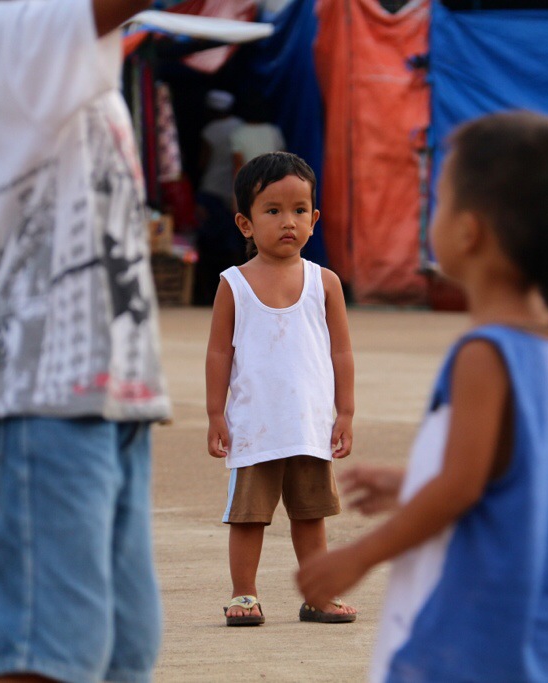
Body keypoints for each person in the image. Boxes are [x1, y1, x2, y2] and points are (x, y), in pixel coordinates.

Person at [296, 112, 548, 682]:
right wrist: (411, 482)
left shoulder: (484, 354)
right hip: (535, 637)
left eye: (439, 199)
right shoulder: (546, 343)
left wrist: (357, 557)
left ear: (469, 232)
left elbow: (460, 488)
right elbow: (502, 475)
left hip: (474, 640)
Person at [0, 0, 170, 680]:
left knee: (123, 655)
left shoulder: (81, 62)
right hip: (46, 392)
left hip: (114, 393)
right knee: (49, 655)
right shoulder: (14, 30)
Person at [206, 152, 357, 627]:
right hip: (255, 426)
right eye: (272, 211)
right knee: (248, 516)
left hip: (309, 425)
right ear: (245, 224)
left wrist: (346, 412)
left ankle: (318, 595)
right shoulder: (234, 285)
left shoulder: (325, 282)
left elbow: (341, 354)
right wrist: (216, 415)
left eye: (298, 210)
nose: (287, 222)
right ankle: (244, 594)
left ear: (314, 218)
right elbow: (218, 355)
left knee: (311, 516)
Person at [194, 90, 245, 305]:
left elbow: (202, 163)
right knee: (235, 244)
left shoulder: (210, 130)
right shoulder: (240, 127)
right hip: (234, 192)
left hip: (212, 191)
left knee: (206, 245)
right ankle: (238, 292)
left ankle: (206, 294)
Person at [231, 91, 286, 177]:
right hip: (272, 180)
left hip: (251, 181)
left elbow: (238, 165)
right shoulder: (273, 131)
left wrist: (236, 188)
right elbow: (283, 159)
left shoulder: (238, 133)